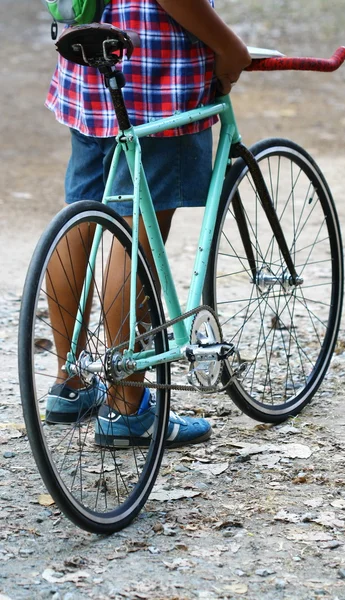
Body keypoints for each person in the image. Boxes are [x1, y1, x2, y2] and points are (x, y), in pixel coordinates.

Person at [44, 0, 251, 448]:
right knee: (135, 227)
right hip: (154, 75)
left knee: (83, 213)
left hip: (87, 63)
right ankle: (127, 406)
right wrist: (228, 46)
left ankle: (71, 383)